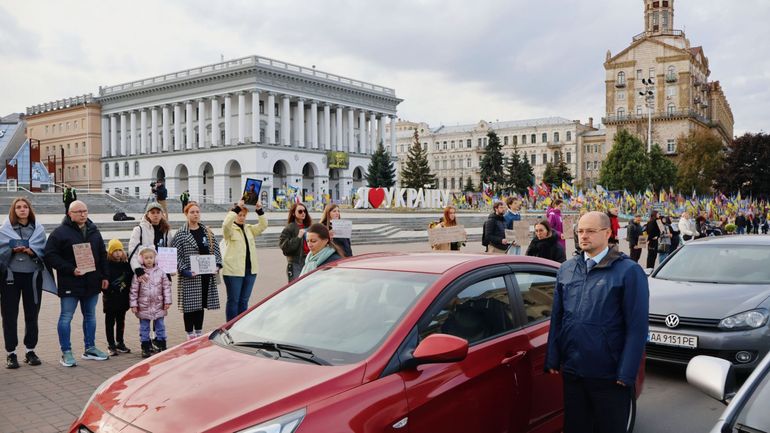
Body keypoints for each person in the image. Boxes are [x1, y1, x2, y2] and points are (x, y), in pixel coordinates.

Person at [545, 211, 649, 433]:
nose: (584, 236)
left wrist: (626, 372)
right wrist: (553, 357)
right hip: (573, 370)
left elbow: (637, 327)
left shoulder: (628, 271)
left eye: (591, 231)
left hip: (609, 375)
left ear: (608, 233)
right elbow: (558, 317)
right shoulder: (566, 269)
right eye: (580, 231)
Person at [43, 200, 110, 367]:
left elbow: (102, 254)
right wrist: (70, 269)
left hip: (92, 282)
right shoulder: (59, 233)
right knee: (66, 317)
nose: (82, 214)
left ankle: (90, 348)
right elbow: (50, 256)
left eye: (85, 211)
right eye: (78, 211)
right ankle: (66, 352)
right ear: (69, 214)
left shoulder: (94, 231)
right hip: (70, 282)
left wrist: (105, 276)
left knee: (90, 317)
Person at [0, 198, 49, 369]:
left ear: (30, 209)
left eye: (25, 207)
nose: (22, 210)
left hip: (32, 277)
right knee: (9, 315)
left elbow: (44, 252)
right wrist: (11, 251)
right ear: (13, 210)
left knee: (32, 314)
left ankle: (30, 350)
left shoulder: (38, 230)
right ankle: (11, 353)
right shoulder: (4, 230)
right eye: (18, 207)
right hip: (10, 278)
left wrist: (32, 251)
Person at [172, 202, 222, 340]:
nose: (195, 214)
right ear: (186, 214)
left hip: (205, 275)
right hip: (190, 276)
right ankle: (189, 334)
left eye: (197, 212)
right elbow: (176, 255)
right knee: (189, 307)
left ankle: (199, 333)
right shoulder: (181, 234)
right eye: (192, 212)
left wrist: (217, 265)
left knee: (200, 305)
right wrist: (184, 270)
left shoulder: (207, 231)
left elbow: (216, 250)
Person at [222, 199, 268, 322]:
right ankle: (230, 326)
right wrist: (236, 208)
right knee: (234, 300)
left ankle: (241, 324)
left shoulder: (249, 229)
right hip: (233, 272)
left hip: (250, 271)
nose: (241, 217)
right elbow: (226, 224)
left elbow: (263, 225)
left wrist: (259, 211)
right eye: (239, 215)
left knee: (244, 301)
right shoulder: (229, 230)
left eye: (243, 215)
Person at [130, 247, 172, 358]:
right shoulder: (139, 274)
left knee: (160, 325)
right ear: (141, 259)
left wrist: (167, 301)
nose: (149, 260)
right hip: (143, 305)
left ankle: (161, 343)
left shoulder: (161, 272)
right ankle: (145, 346)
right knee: (144, 327)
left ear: (155, 259)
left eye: (151, 258)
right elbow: (134, 290)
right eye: (146, 258)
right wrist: (134, 304)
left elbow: (166, 287)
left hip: (159, 304)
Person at [128, 202, 173, 281]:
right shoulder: (139, 230)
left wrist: (170, 268)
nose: (155, 215)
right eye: (152, 212)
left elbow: (170, 250)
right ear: (147, 214)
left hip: (163, 274)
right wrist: (137, 268)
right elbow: (132, 251)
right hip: (145, 273)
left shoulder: (166, 231)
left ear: (162, 214)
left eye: (158, 212)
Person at [104, 239, 133, 356]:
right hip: (110, 299)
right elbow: (103, 281)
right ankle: (111, 344)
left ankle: (120, 342)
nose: (117, 253)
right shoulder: (107, 265)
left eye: (120, 250)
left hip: (123, 298)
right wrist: (108, 290)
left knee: (121, 321)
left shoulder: (126, 265)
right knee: (110, 322)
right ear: (110, 252)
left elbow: (130, 279)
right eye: (114, 250)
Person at [279, 202, 311, 282]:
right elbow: (285, 248)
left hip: (310, 261)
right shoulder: (289, 228)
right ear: (293, 213)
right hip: (296, 263)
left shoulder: (309, 227)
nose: (303, 213)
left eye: (304, 211)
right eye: (300, 211)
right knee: (296, 288)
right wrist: (298, 237)